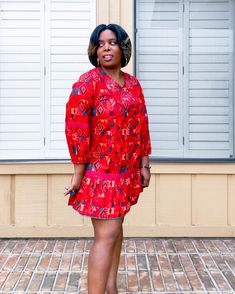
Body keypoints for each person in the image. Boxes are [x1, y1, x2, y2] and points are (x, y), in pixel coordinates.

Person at [64, 23, 151, 294]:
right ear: (95, 50)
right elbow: (75, 129)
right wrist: (78, 173)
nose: (106, 48)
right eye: (100, 44)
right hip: (100, 174)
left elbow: (142, 124)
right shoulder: (87, 83)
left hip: (125, 172)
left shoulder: (133, 84)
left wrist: (144, 163)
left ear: (122, 47)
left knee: (116, 230)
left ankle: (111, 288)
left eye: (112, 42)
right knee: (105, 236)